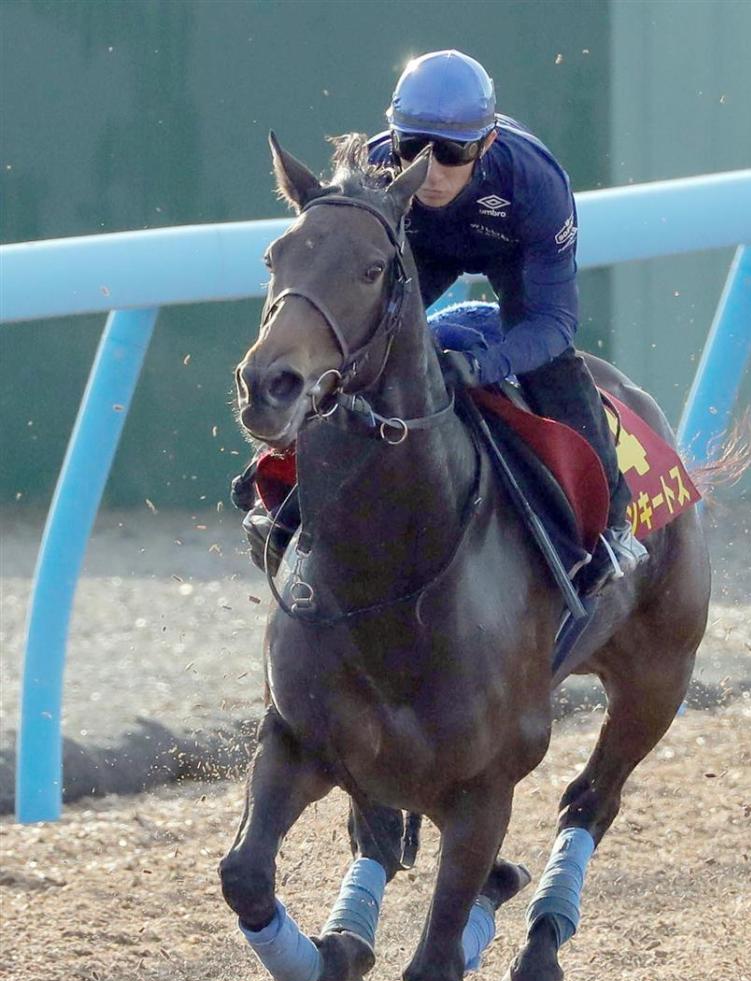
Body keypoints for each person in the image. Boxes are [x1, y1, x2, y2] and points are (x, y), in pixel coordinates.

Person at [236, 49, 646, 585]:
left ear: (487, 144)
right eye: (412, 148)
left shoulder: (535, 183)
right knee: (356, 351)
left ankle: (612, 528)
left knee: (553, 368)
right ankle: (284, 501)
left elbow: (553, 323)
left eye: (453, 152)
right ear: (393, 138)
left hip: (512, 253)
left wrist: (482, 366)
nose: (430, 170)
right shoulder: (378, 170)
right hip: (422, 253)